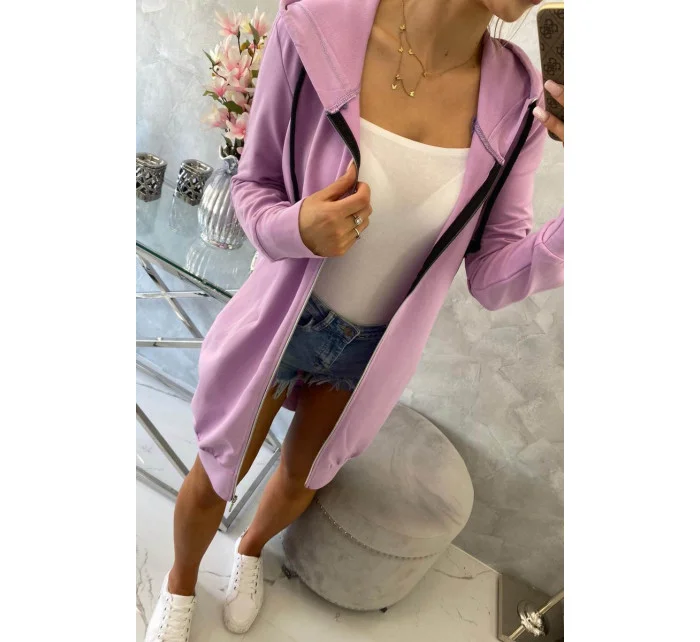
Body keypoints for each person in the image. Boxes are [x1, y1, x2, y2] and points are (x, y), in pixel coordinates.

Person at [144, 0, 564, 639]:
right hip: (282, 320)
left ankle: (250, 551)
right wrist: (297, 227)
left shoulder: (518, 105)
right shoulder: (317, 28)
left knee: (303, 477)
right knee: (216, 471)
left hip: (371, 352)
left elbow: (493, 276)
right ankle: (178, 584)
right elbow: (253, 185)